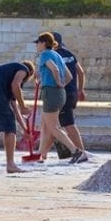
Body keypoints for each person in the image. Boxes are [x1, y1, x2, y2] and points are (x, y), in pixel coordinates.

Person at [32, 32, 80, 163]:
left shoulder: (44, 55)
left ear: (43, 43)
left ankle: (76, 151)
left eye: (38, 43)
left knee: (53, 127)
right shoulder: (57, 54)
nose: (36, 45)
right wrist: (61, 84)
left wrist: (57, 83)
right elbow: (69, 75)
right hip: (60, 93)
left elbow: (55, 70)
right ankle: (41, 155)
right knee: (45, 124)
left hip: (51, 92)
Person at [50, 32, 89, 162]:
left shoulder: (55, 56)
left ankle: (81, 152)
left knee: (68, 124)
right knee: (54, 124)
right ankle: (44, 153)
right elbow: (81, 72)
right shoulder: (70, 54)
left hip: (62, 93)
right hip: (72, 92)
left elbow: (54, 73)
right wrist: (80, 89)